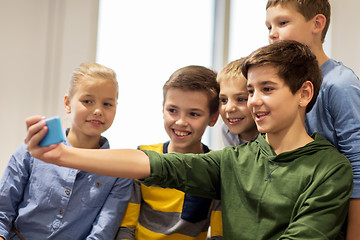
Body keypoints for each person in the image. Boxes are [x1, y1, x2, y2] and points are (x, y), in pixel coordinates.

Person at [25, 41, 353, 239]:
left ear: (304, 93)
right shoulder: (235, 160)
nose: (253, 101)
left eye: (267, 89)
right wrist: (62, 155)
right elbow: (153, 164)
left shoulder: (329, 169)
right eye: (251, 90)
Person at [0, 63, 133, 240]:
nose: (98, 111)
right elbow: (3, 210)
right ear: (67, 103)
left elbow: (102, 233)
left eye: (108, 104)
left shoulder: (119, 171)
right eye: (87, 101)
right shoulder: (33, 150)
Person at [265, 1, 360, 238]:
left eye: (282, 22)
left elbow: (357, 166)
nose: (272, 34)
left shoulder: (340, 84)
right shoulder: (283, 87)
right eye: (268, 26)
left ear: (317, 24)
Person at [115, 65, 222, 240]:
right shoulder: (143, 157)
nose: (180, 122)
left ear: (213, 118)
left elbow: (218, 236)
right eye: (172, 110)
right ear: (162, 108)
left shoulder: (216, 168)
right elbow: (126, 228)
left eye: (194, 114)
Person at [217, 58, 258, 147]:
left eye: (241, 99)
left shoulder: (271, 136)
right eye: (224, 100)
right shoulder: (226, 130)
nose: (229, 108)